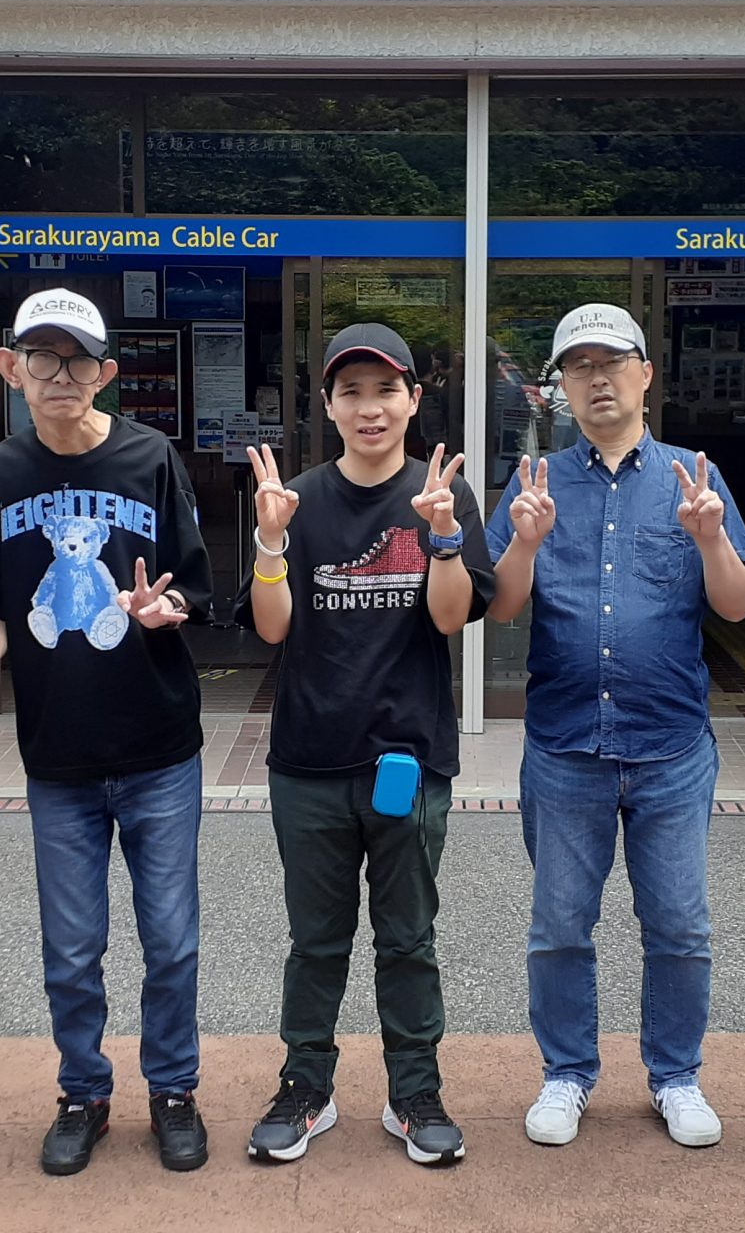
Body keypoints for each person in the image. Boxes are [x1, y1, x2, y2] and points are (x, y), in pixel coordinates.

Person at [0, 288, 214, 1176]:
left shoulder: (150, 457)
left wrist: (165, 610)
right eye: (43, 358)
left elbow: (194, 584)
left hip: (158, 747)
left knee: (170, 941)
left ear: (106, 372)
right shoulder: (2, 471)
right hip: (56, 755)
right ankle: (84, 1093)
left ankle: (172, 1090)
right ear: (11, 367)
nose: (62, 376)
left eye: (79, 360)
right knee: (70, 949)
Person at [486, 303, 745, 1151]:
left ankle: (676, 1076)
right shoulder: (536, 481)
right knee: (560, 926)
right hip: (565, 745)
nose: (597, 379)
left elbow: (738, 606)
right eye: (580, 367)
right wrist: (524, 544)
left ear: (646, 375)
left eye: (613, 363)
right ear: (561, 388)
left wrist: (710, 540)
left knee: (679, 926)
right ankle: (566, 1074)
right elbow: (500, 607)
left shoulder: (693, 477)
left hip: (671, 746)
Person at [239, 325, 497, 1169]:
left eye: (385, 391)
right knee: (315, 942)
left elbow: (451, 617)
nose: (370, 408)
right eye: (350, 392)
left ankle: (414, 1092)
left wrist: (444, 536)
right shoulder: (297, 500)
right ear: (328, 405)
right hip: (309, 763)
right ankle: (304, 1087)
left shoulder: (440, 495)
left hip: (408, 765)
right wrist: (270, 541)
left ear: (414, 400)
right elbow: (272, 627)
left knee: (407, 940)